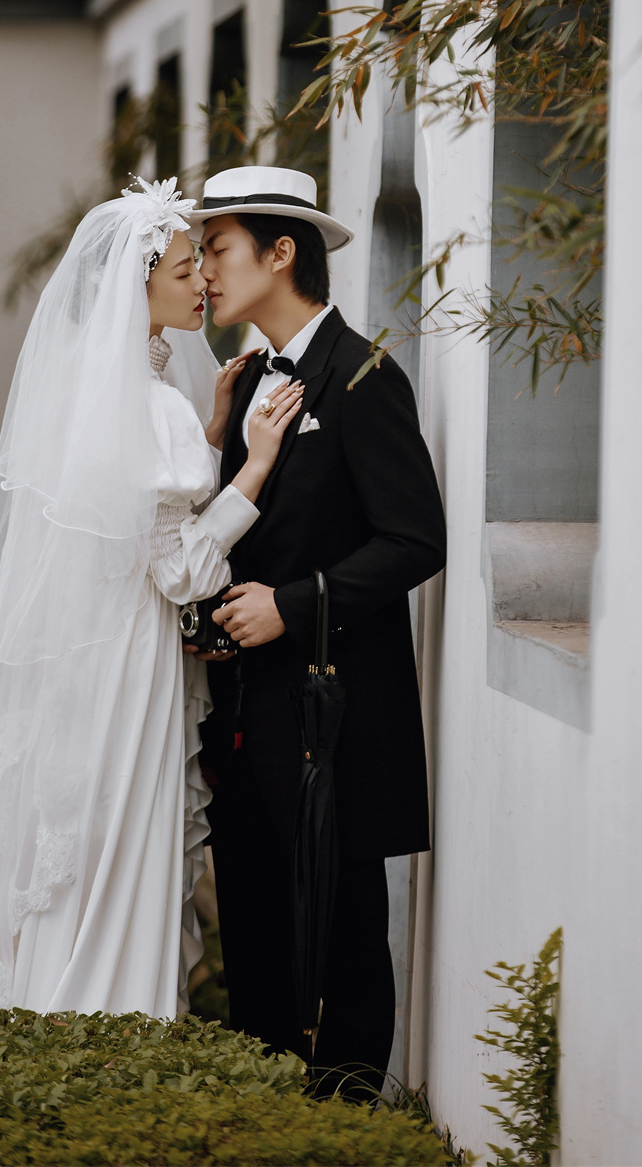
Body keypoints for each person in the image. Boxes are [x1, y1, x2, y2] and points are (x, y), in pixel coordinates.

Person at [0, 177, 303, 1018]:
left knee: (71, 839)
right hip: (130, 664)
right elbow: (183, 571)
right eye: (186, 269)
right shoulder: (151, 408)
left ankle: (46, 1006)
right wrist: (255, 466)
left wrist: (210, 430)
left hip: (84, 656)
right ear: (137, 285)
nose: (203, 284)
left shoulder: (95, 402)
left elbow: (134, 515)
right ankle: (103, 1008)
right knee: (117, 839)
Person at [190, 165, 448, 1100]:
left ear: (280, 252)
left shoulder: (364, 375)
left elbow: (416, 540)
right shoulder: (249, 380)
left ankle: (345, 1115)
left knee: (342, 927)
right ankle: (265, 1111)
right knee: (253, 918)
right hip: (244, 709)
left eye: (217, 249)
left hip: (334, 711)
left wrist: (291, 606)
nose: (204, 271)